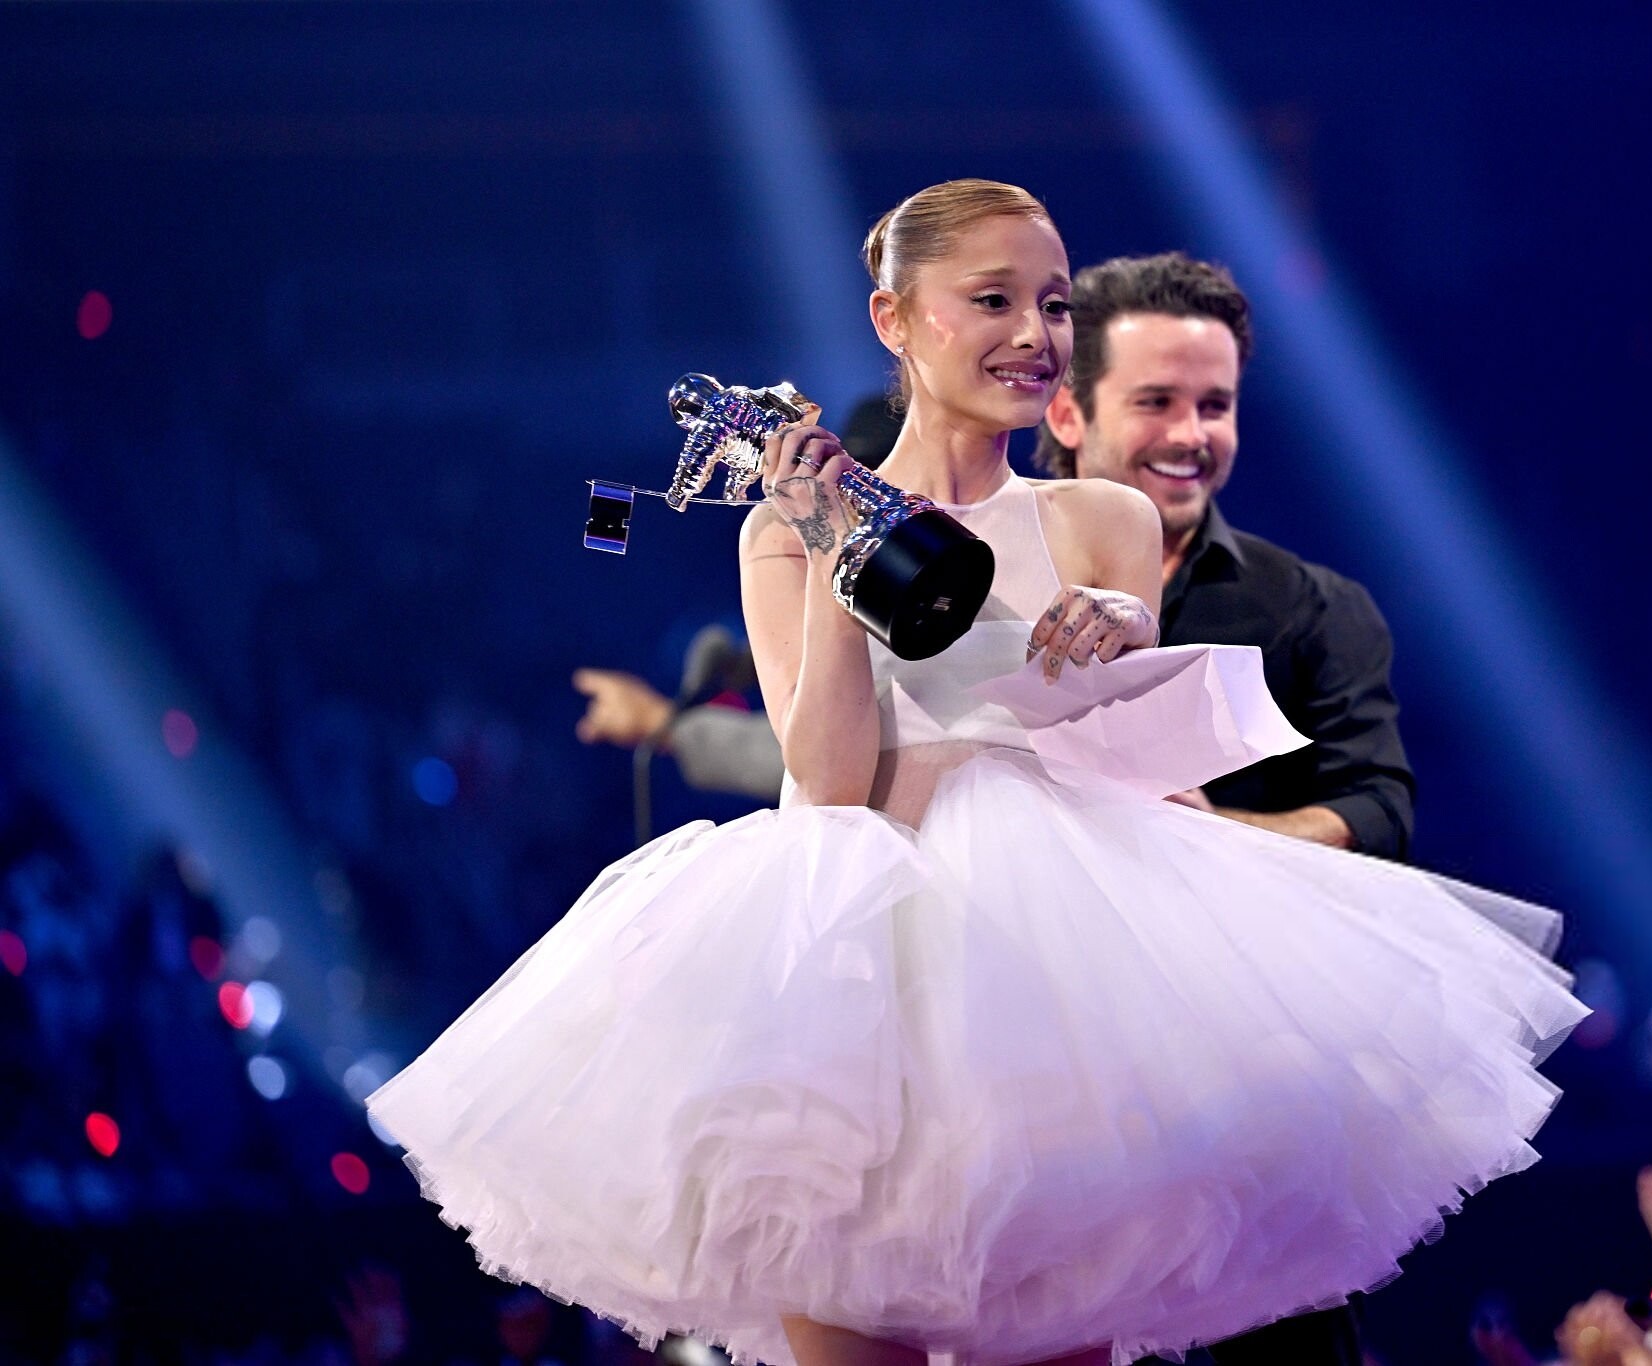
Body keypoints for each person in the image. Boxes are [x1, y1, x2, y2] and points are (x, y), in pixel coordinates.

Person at [370, 180, 1585, 1366]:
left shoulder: (1101, 520)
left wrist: (1122, 639)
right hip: (843, 985)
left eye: (1054, 305)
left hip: (1049, 988)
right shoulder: (782, 528)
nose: (1034, 335)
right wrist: (839, 547)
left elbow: (1118, 772)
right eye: (993, 300)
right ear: (893, 320)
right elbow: (827, 778)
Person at [1036, 252, 1412, 860]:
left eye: (1214, 406)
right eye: (1155, 402)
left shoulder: (1314, 608)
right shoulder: (988, 579)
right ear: (1067, 415)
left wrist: (1215, 833)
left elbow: (1378, 813)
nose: (1190, 435)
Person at [568, 398, 906, 803]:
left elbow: (818, 761)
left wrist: (660, 723)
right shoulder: (790, 558)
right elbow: (813, 750)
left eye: (866, 494)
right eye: (837, 494)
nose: (849, 513)